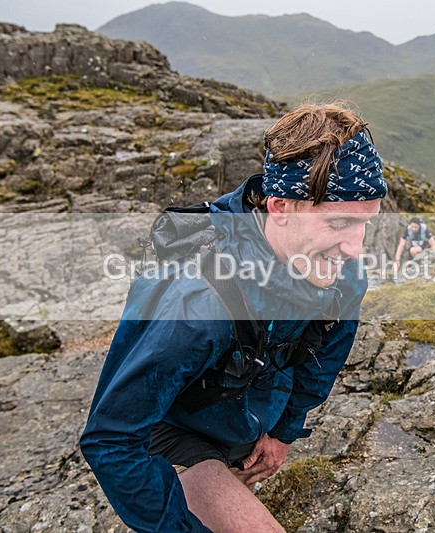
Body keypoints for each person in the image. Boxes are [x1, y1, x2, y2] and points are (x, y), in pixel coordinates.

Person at [80, 103, 387, 532]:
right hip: (171, 435)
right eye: (337, 223)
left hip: (243, 427)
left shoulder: (341, 276)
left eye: (365, 223)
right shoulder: (198, 306)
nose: (355, 248)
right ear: (280, 206)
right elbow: (111, 439)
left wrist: (284, 431)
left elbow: (324, 358)